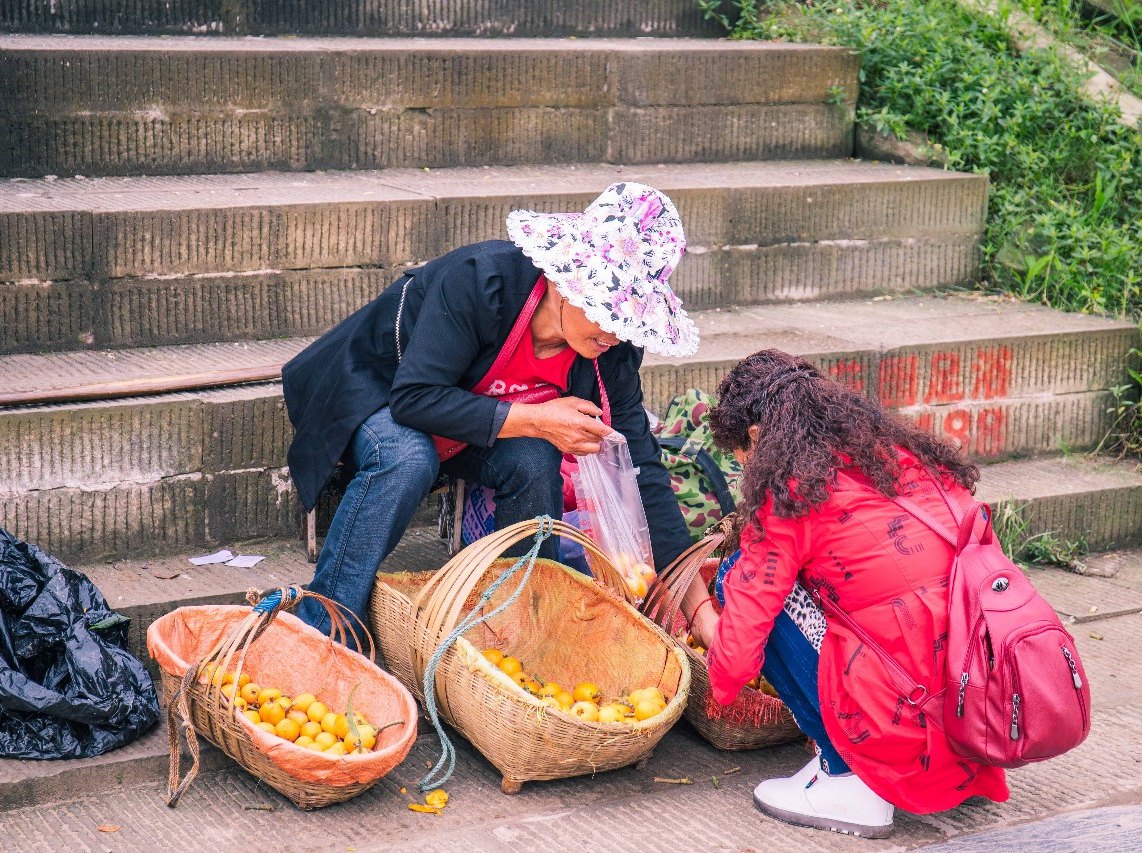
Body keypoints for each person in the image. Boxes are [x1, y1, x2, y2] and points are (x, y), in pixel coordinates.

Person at [281, 181, 709, 638]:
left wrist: (699, 609)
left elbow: (642, 466)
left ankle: (517, 623)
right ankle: (322, 623)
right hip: (378, 390)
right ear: (567, 283)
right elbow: (414, 397)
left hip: (469, 424)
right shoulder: (481, 281)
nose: (616, 334)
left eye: (628, 320)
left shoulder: (612, 351)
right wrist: (538, 419)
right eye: (609, 312)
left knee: (534, 457)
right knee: (408, 457)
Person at [703, 349, 1010, 839]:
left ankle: (848, 775)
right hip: (972, 702)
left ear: (758, 438)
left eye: (741, 456)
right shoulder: (902, 455)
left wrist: (715, 683)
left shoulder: (792, 492)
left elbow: (740, 646)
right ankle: (895, 761)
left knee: (736, 573)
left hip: (899, 704)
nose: (744, 469)